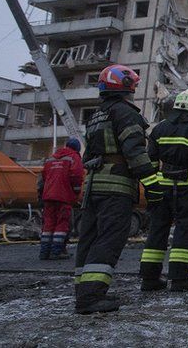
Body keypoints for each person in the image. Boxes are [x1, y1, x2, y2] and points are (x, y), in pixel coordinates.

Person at [75, 65, 161, 314]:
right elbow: (135, 153)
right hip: (116, 187)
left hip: (93, 186)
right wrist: (153, 186)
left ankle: (83, 291)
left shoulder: (96, 115)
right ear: (127, 87)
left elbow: (88, 155)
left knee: (89, 239)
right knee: (109, 238)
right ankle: (91, 297)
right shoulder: (126, 113)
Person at [139, 89, 188, 292]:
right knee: (185, 230)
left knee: (157, 229)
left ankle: (149, 278)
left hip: (162, 185)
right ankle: (180, 278)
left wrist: (152, 183)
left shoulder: (160, 128)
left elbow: (149, 159)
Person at [38, 139, 84, 260]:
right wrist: (76, 192)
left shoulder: (51, 158)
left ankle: (44, 252)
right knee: (62, 223)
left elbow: (43, 176)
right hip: (64, 196)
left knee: (48, 224)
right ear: (77, 148)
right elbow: (77, 176)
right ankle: (56, 252)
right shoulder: (74, 157)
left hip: (48, 196)